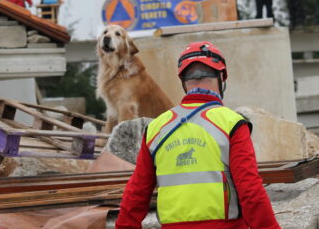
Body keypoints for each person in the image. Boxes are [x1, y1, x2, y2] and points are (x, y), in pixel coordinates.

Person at [115, 41, 281, 229]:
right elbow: (250, 190)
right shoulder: (231, 123)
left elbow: (136, 193)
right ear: (221, 77)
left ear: (184, 81)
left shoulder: (157, 127)